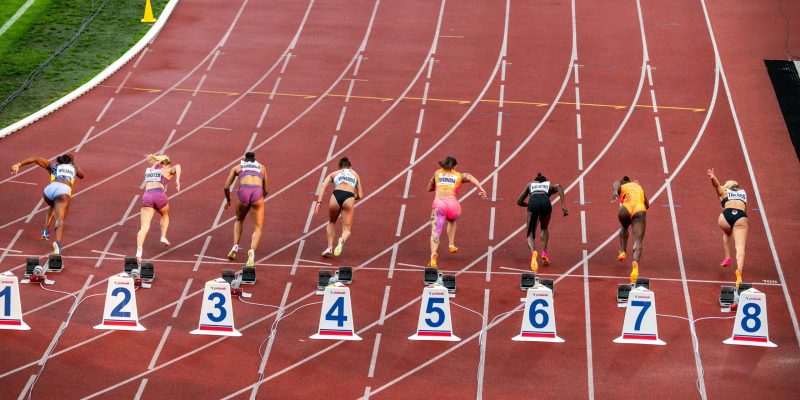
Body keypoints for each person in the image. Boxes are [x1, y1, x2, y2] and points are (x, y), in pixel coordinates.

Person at [10, 154, 85, 254]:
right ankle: (57, 243)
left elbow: (36, 158)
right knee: (60, 219)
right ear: (69, 162)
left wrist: (19, 165)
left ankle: (45, 229)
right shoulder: (74, 168)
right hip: (63, 191)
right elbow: (82, 176)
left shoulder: (53, 166)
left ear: (58, 161)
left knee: (52, 205)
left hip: (49, 191)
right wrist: (73, 162)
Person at [427, 156, 487, 268]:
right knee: (451, 220)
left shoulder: (437, 173)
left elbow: (429, 186)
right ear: (454, 167)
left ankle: (433, 255)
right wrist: (481, 188)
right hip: (453, 206)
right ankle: (451, 244)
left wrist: (433, 187)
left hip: (439, 205)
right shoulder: (458, 176)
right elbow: (469, 176)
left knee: (435, 232)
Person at [516, 172, 568, 271]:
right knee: (544, 228)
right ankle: (544, 252)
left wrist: (529, 205)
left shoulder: (530, 184)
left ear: (535, 181)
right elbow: (560, 186)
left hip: (534, 202)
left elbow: (519, 201)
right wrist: (563, 206)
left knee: (530, 233)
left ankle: (533, 252)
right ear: (545, 181)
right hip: (546, 203)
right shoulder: (548, 185)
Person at [224, 152, 268, 267]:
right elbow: (266, 189)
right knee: (258, 228)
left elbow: (226, 187)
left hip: (243, 192)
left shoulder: (237, 167)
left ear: (244, 160)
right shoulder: (262, 167)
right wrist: (260, 201)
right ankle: (252, 252)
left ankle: (235, 246)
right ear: (255, 160)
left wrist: (228, 200)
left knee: (239, 220)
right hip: (257, 193)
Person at [135, 154, 181, 262]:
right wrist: (177, 180)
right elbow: (178, 166)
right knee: (165, 215)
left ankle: (139, 252)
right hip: (159, 195)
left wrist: (157, 161)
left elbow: (156, 165)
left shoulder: (149, 170)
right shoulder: (167, 170)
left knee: (144, 227)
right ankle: (163, 236)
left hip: (147, 196)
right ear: (168, 164)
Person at [707, 168, 748, 287]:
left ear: (727, 186)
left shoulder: (724, 192)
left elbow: (716, 186)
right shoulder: (743, 195)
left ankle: (727, 258)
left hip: (725, 217)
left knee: (727, 233)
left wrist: (713, 177)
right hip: (740, 217)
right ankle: (739, 271)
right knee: (740, 247)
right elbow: (745, 210)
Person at [314, 157, 363, 257]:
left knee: (332, 222)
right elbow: (360, 195)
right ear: (350, 166)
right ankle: (341, 240)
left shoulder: (334, 173)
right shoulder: (355, 174)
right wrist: (352, 198)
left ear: (340, 167)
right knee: (347, 229)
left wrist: (319, 202)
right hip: (349, 197)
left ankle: (329, 247)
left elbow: (323, 185)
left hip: (336, 196)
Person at [613, 176, 649, 283]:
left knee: (624, 226)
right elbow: (647, 205)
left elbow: (615, 183)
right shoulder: (639, 187)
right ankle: (635, 264)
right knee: (638, 241)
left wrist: (616, 192)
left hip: (626, 208)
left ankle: (623, 250)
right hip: (639, 209)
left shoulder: (622, 186)